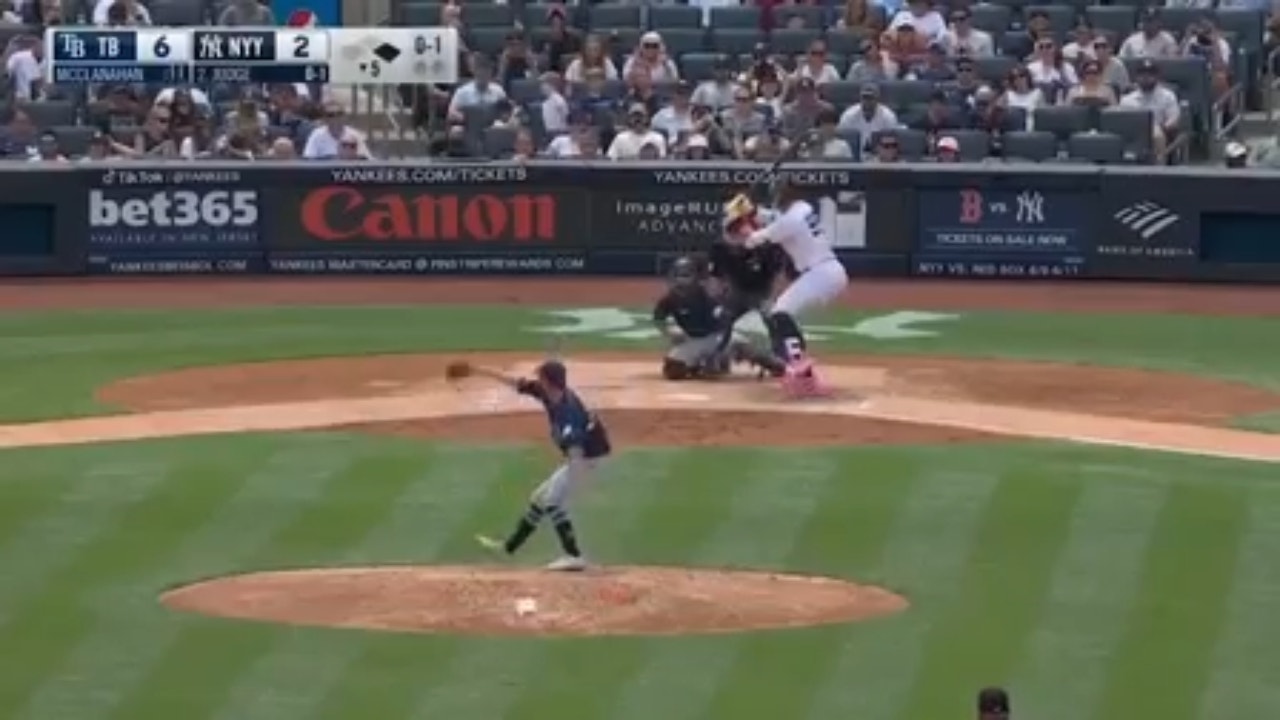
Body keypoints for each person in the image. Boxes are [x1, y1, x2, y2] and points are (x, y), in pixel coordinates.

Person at [475, 360, 611, 571]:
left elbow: (576, 449)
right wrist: (481, 370)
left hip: (586, 459)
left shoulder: (569, 411)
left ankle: (574, 555)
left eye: (542, 377)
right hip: (580, 457)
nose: (538, 380)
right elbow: (518, 384)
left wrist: (579, 480)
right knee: (539, 498)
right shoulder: (550, 393)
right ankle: (508, 548)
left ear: (549, 382)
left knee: (553, 501)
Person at [729, 176, 850, 397]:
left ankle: (801, 370)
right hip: (828, 271)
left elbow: (754, 240)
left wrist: (742, 222)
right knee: (781, 313)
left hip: (820, 273)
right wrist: (751, 210)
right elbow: (774, 217)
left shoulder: (790, 221)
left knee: (781, 312)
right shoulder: (802, 209)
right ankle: (799, 365)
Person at [651, 256, 733, 380]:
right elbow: (658, 319)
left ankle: (722, 358)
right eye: (678, 275)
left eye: (686, 275)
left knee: (740, 348)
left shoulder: (708, 297)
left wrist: (718, 351)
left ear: (695, 277)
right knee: (673, 371)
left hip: (714, 338)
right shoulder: (670, 298)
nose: (681, 279)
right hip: (691, 339)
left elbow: (726, 324)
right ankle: (696, 364)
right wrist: (668, 330)